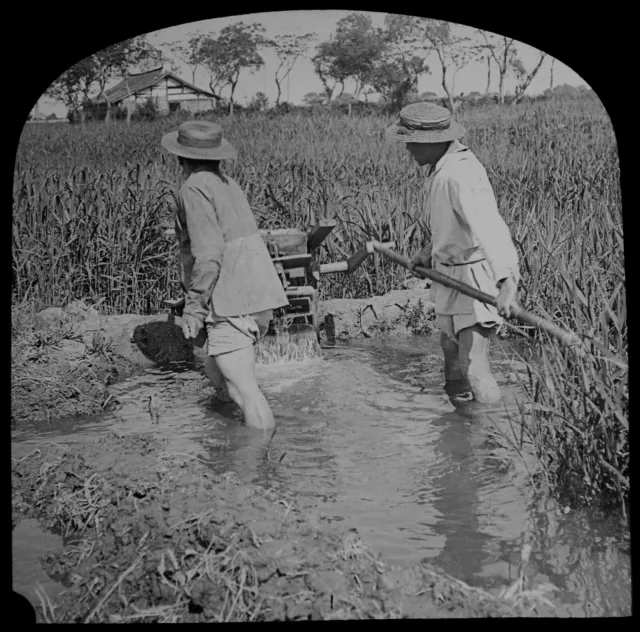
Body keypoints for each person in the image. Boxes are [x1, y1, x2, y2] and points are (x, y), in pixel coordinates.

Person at [385, 102, 520, 405]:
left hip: (473, 276)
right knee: (450, 347)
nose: (407, 149)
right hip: (450, 272)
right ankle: (459, 421)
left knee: (474, 362)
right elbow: (455, 224)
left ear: (431, 140)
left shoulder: (459, 173)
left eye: (410, 141)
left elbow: (487, 226)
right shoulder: (441, 168)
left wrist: (507, 281)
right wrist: (429, 250)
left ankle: (488, 441)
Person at [161, 120, 289, 429]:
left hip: (231, 298)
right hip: (257, 294)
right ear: (218, 156)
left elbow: (209, 254)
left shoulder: (192, 188)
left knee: (245, 391)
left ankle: (260, 467)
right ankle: (228, 441)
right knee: (219, 375)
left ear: (180, 158)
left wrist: (193, 306)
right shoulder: (226, 183)